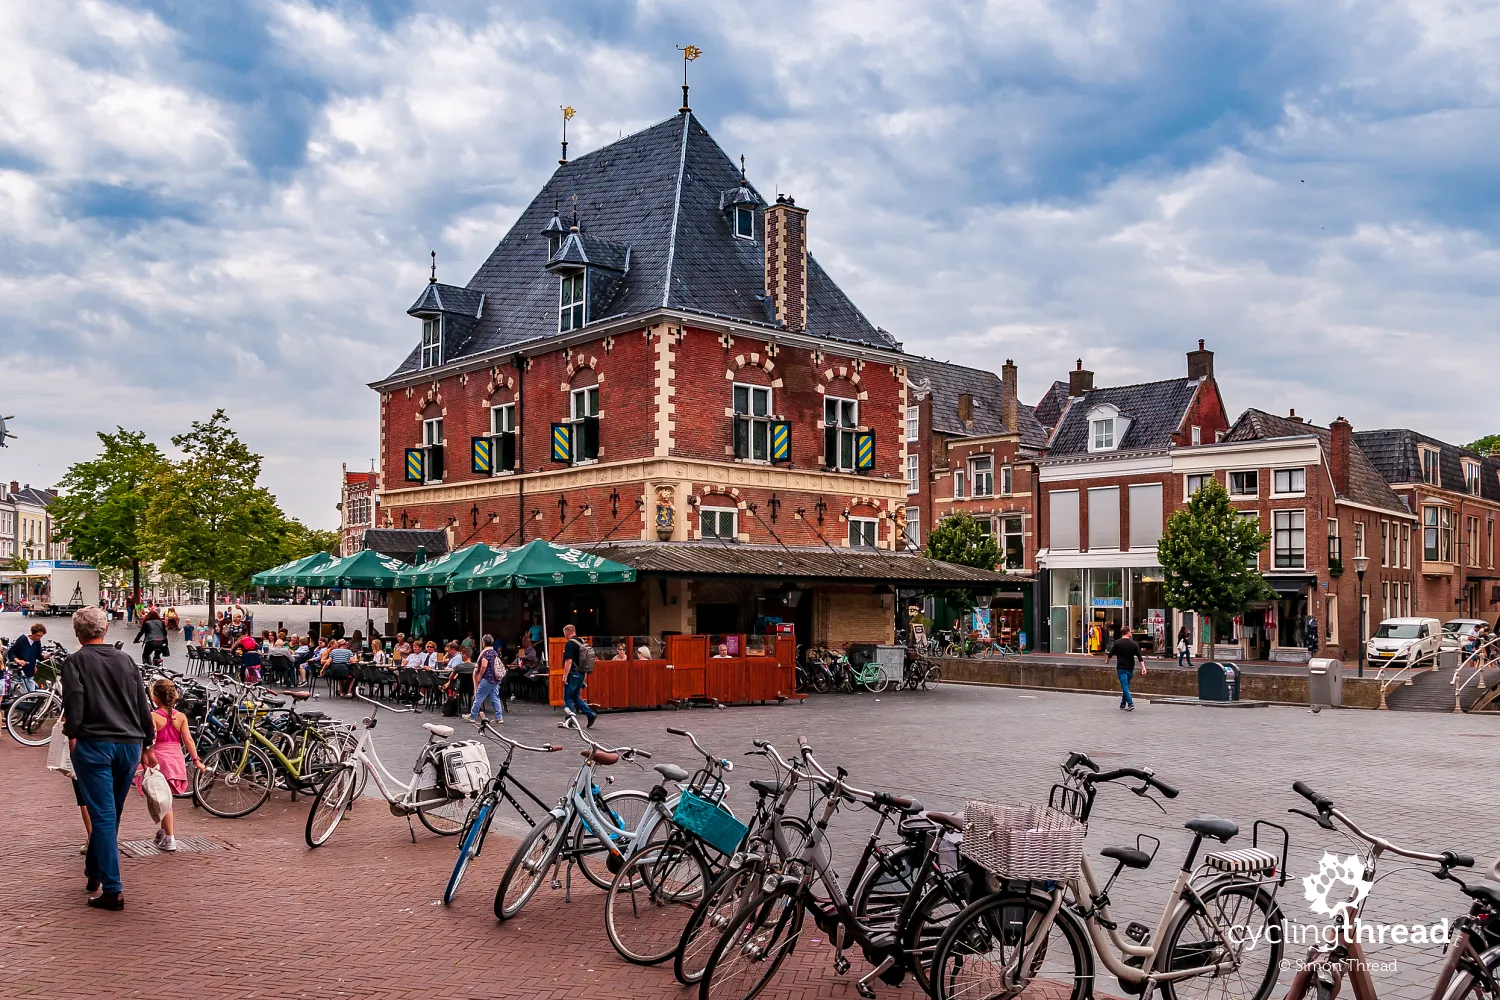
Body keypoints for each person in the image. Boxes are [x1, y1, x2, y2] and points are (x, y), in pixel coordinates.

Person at [62, 606, 157, 911]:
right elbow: (141, 702)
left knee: (102, 815)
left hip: (95, 743)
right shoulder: (126, 660)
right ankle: (94, 871)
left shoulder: (75, 662)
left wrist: (73, 733)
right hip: (128, 743)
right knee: (111, 813)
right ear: (105, 630)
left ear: (78, 632)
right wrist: (147, 742)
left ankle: (112, 889)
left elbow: (74, 700)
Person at [134, 678, 204, 851]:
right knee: (165, 797)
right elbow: (188, 740)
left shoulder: (154, 717)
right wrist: (196, 760)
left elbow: (151, 740)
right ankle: (163, 831)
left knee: (164, 801)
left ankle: (170, 838)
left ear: (155, 697)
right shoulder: (180, 717)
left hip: (159, 759)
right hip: (176, 759)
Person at [559, 624, 595, 728]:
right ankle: (590, 714)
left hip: (573, 673)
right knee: (575, 696)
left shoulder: (570, 643)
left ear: (566, 632)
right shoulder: (581, 641)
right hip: (581, 673)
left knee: (568, 698)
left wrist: (565, 676)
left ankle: (570, 721)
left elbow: (568, 660)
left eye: (564, 633)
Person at [467, 635, 503, 725]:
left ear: (484, 643)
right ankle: (499, 717)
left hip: (487, 678)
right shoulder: (494, 652)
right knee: (495, 697)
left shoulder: (485, 653)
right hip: (495, 679)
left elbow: (484, 665)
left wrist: (480, 675)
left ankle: (473, 716)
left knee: (479, 696)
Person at [1108, 629, 1145, 712]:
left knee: (1125, 686)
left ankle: (1130, 703)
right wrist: (1143, 667)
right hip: (1130, 667)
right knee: (1126, 686)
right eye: (1130, 632)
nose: (1131, 633)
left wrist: (1107, 660)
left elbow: (1111, 653)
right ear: (1128, 633)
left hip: (1121, 667)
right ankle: (1123, 703)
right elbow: (1139, 657)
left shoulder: (1117, 643)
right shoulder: (1134, 644)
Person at [9, 622, 47, 693]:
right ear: (33, 633)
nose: (39, 638)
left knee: (32, 692)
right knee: (23, 692)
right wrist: (18, 660)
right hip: (21, 670)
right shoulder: (22, 639)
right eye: (38, 635)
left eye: (41, 636)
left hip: (30, 670)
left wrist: (49, 655)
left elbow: (39, 656)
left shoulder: (37, 642)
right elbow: (11, 652)